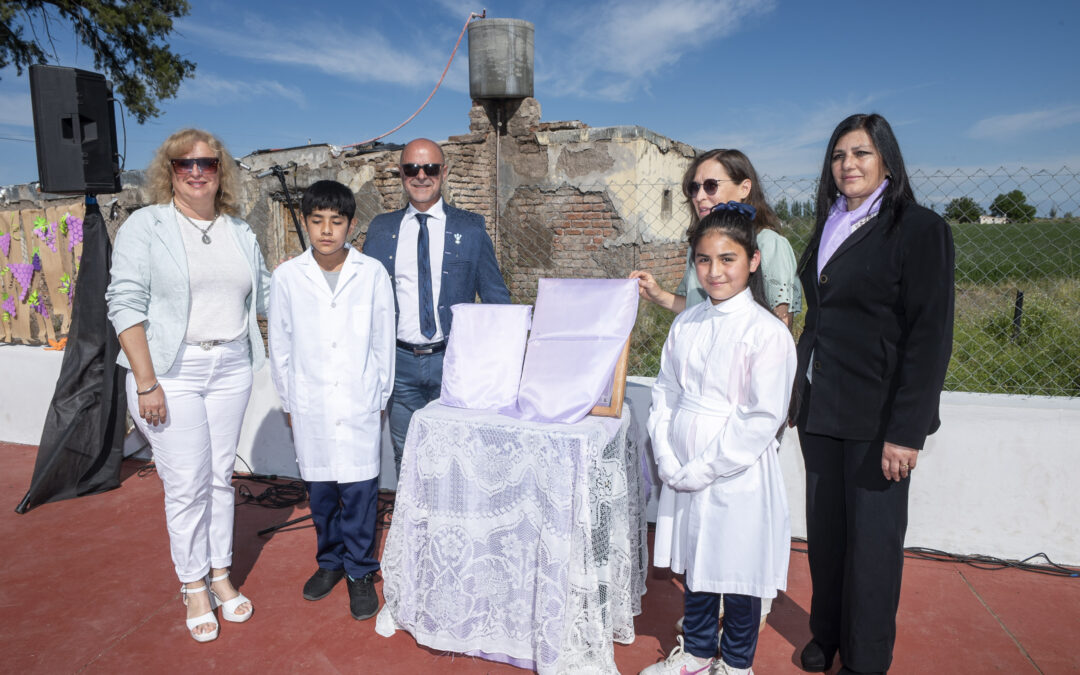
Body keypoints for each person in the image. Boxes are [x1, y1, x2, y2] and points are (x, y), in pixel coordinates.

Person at [793, 114, 954, 675]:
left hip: (878, 418)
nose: (848, 165)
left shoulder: (917, 228)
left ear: (886, 158)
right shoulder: (829, 221)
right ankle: (827, 634)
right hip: (822, 410)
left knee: (874, 547)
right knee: (827, 539)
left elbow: (930, 336)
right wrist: (796, 396)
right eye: (839, 155)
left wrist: (907, 431)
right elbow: (819, 317)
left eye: (861, 153)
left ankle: (866, 657)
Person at [106, 129, 270, 642]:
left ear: (221, 171)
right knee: (185, 485)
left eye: (207, 163)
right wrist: (146, 381)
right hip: (169, 373)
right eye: (184, 164)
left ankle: (220, 573)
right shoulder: (146, 226)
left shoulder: (239, 231)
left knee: (221, 478)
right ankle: (192, 583)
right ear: (169, 170)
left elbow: (266, 294)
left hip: (231, 367)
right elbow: (124, 303)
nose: (196, 171)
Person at [642, 202, 797, 675]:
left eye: (727, 259)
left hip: (736, 467)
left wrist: (704, 468)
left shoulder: (767, 333)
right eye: (703, 260)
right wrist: (666, 455)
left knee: (738, 565)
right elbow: (666, 389)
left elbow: (761, 416)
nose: (714, 271)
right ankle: (697, 652)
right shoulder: (686, 322)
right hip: (683, 457)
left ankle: (735, 663)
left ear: (752, 261)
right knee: (697, 560)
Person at [268, 180, 395, 621]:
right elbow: (279, 343)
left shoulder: (372, 273)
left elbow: (383, 339)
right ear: (305, 223)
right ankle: (330, 563)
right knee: (321, 493)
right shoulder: (287, 277)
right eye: (317, 221)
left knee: (360, 492)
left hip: (359, 400)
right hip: (311, 403)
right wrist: (290, 399)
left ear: (351, 225)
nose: (326, 230)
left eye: (336, 221)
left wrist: (377, 396)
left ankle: (361, 571)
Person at [362, 138, 510, 478]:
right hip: (399, 366)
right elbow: (360, 294)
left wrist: (508, 358)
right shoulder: (382, 230)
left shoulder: (470, 228)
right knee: (407, 455)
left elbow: (495, 296)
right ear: (401, 173)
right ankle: (414, 530)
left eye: (430, 168)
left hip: (453, 362)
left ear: (444, 172)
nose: (421, 176)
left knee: (459, 455)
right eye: (412, 168)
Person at [630, 149, 801, 327]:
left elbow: (780, 322)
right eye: (694, 188)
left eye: (711, 186)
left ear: (744, 188)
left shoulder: (768, 243)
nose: (699, 196)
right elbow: (695, 307)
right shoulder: (698, 247)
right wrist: (657, 295)